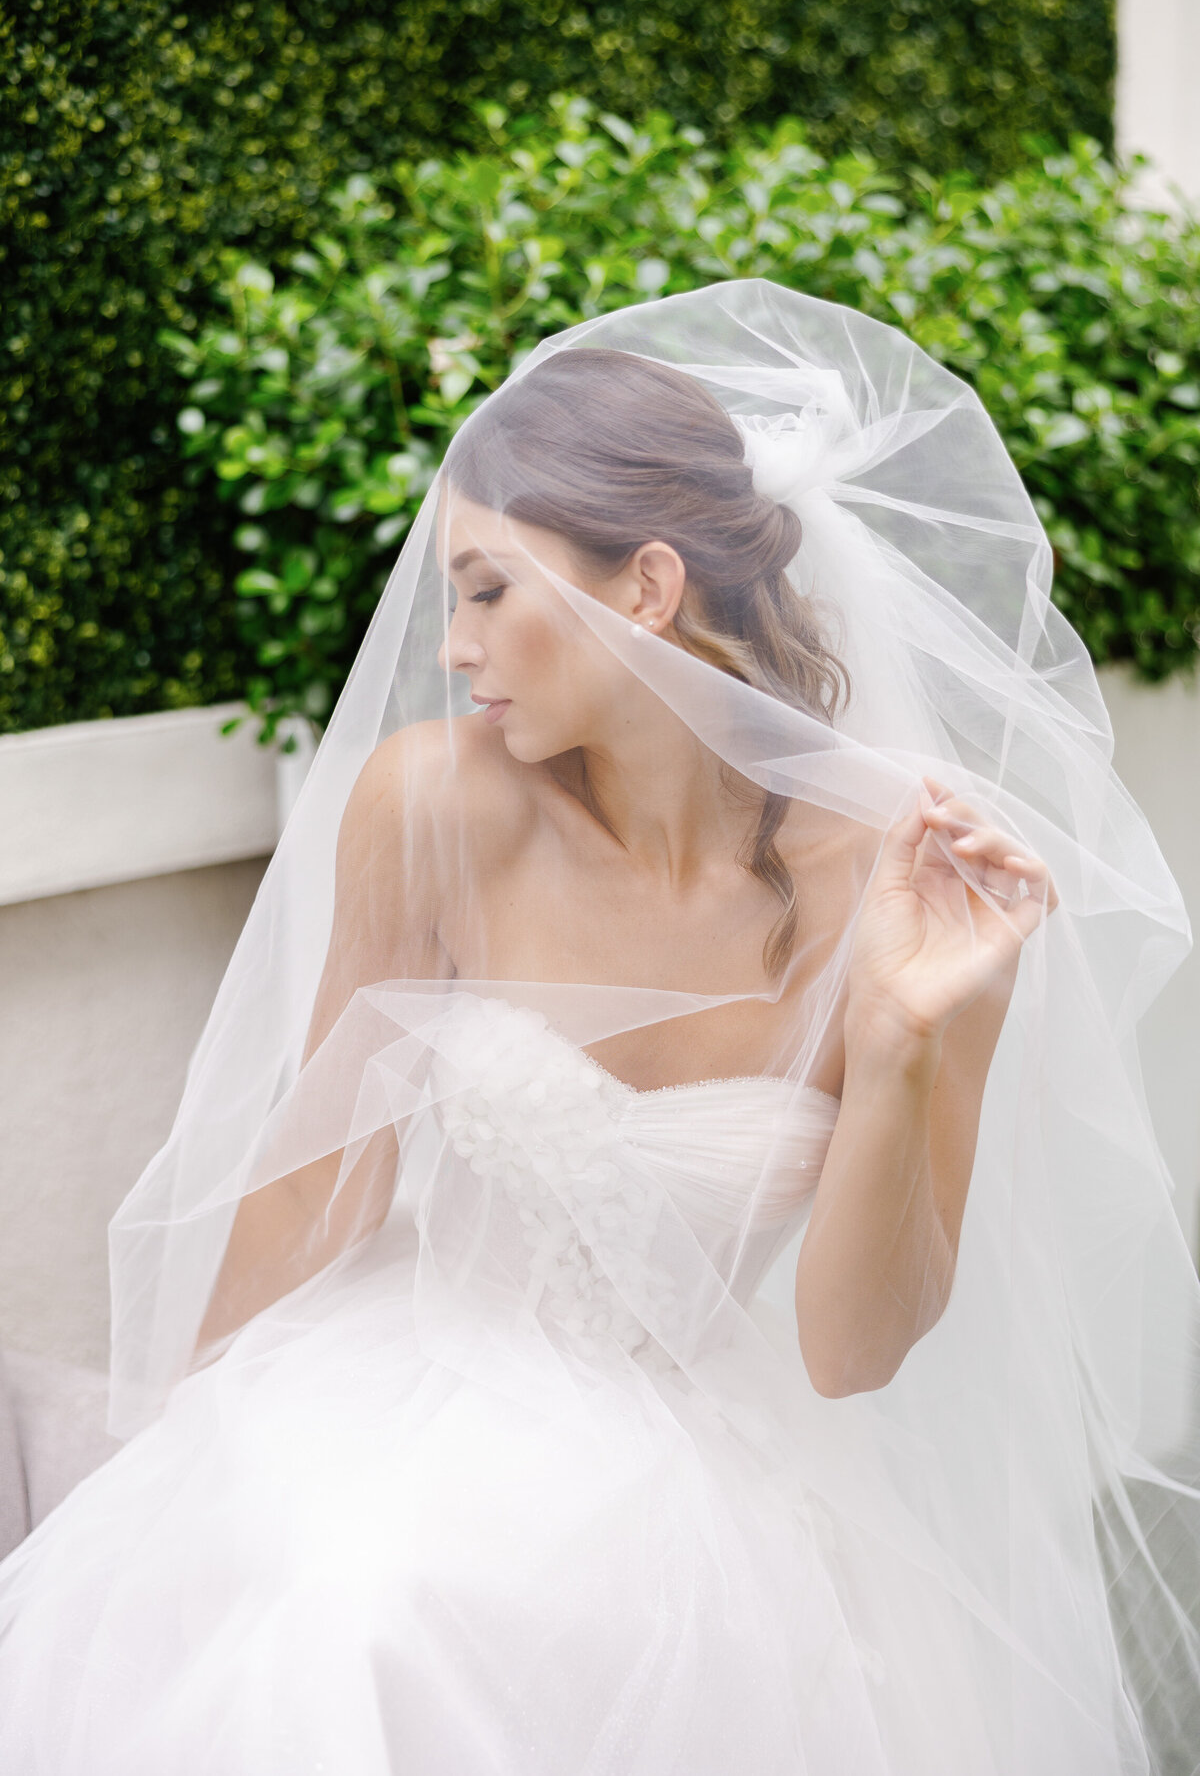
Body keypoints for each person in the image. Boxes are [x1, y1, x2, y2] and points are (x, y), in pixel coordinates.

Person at [0, 279, 1196, 1773]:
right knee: (357, 1607)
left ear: (645, 585)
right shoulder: (431, 805)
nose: (453, 646)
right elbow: (319, 1188)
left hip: (698, 1466)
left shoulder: (907, 884)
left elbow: (850, 1350)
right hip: (402, 1389)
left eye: (490, 588)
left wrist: (897, 1040)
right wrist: (169, 1456)